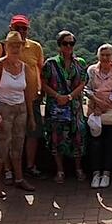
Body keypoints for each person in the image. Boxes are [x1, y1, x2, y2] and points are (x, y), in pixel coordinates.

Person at [0, 15, 46, 181]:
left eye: (24, 28)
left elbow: (39, 72)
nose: (21, 31)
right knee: (3, 140)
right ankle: (4, 174)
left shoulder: (34, 49)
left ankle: (25, 171)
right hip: (4, 103)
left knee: (26, 137)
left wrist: (40, 92)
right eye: (17, 28)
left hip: (27, 100)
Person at [0, 31, 35, 197]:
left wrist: (31, 115)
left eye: (18, 45)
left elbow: (28, 92)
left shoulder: (24, 67)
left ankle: (19, 178)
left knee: (18, 145)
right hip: (4, 108)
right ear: (5, 47)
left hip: (20, 108)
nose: (15, 48)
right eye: (12, 45)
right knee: (1, 147)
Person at [41, 31, 88, 184]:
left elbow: (83, 83)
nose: (68, 46)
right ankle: (60, 170)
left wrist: (69, 97)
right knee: (56, 137)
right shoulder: (50, 63)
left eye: (71, 43)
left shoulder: (80, 63)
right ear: (59, 45)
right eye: (65, 43)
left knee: (78, 136)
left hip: (74, 107)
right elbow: (43, 83)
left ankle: (79, 168)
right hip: (56, 107)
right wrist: (57, 96)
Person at [85, 43, 112, 188]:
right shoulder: (91, 70)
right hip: (94, 112)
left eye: (108, 55)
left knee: (110, 144)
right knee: (95, 144)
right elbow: (87, 89)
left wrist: (102, 106)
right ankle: (96, 173)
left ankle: (107, 174)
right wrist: (97, 103)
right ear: (98, 56)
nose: (105, 57)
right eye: (103, 55)